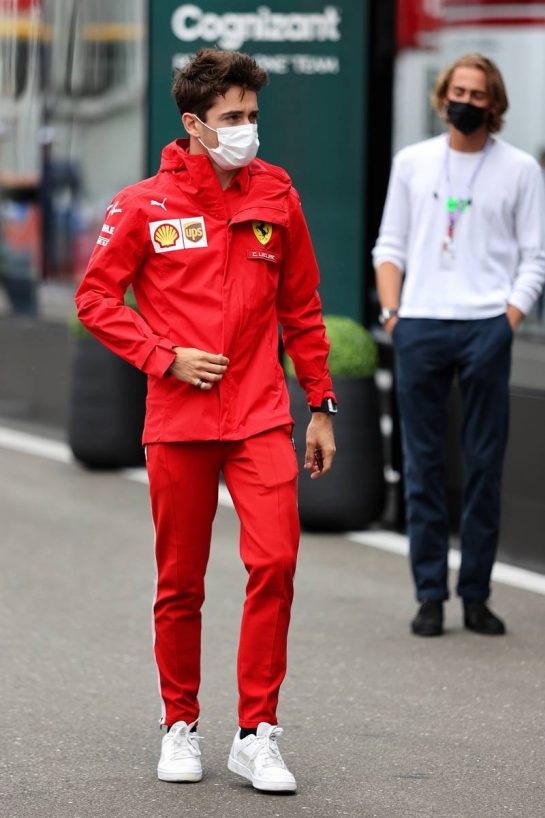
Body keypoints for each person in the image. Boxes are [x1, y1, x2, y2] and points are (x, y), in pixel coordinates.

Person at [75, 49, 337, 792]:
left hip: (258, 414)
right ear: (194, 123)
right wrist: (164, 357)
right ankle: (179, 722)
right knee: (179, 581)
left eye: (253, 116)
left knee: (275, 564)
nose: (247, 130)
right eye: (231, 119)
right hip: (180, 418)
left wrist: (319, 403)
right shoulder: (142, 205)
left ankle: (257, 734)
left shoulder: (277, 194)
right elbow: (95, 300)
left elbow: (302, 306)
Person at [373, 53, 545, 637]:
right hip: (419, 324)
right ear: (443, 94)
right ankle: (429, 594)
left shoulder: (520, 169)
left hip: (484, 329)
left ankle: (475, 593)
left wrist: (508, 319)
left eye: (477, 94)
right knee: (421, 464)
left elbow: (535, 257)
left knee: (483, 465)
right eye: (458, 90)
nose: (465, 101)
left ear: (494, 105)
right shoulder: (413, 163)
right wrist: (395, 315)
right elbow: (388, 246)